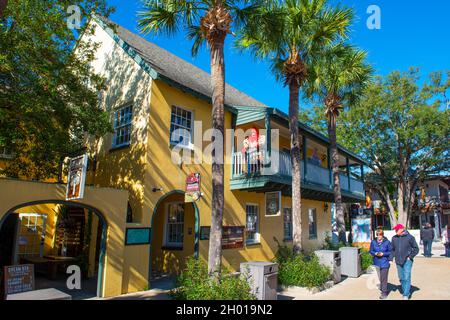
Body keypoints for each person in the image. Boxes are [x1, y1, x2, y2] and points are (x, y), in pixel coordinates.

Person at [390, 224, 419, 300]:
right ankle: (405, 289)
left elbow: (416, 249)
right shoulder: (394, 238)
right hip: (398, 261)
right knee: (401, 278)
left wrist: (410, 257)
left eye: (397, 230)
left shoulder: (410, 237)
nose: (395, 231)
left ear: (402, 229)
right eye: (395, 230)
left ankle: (406, 294)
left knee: (406, 277)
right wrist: (390, 258)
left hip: (407, 261)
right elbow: (392, 250)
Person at [369, 229, 392, 299]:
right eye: (378, 235)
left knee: (384, 278)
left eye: (380, 235)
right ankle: (383, 288)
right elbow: (370, 251)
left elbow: (391, 252)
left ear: (382, 235)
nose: (379, 236)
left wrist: (383, 254)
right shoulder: (373, 242)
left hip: (385, 262)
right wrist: (375, 253)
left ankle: (384, 293)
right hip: (376, 262)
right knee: (380, 277)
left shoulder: (387, 242)